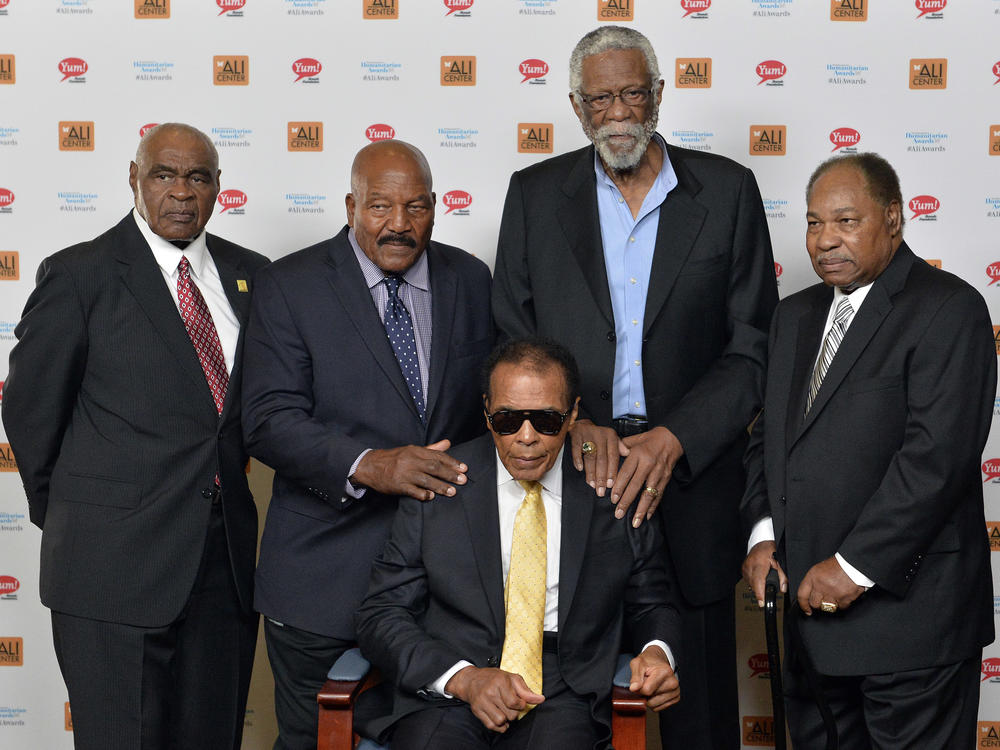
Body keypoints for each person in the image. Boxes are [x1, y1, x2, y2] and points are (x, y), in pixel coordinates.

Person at [491, 25, 777, 748]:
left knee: (699, 710)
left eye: (630, 93)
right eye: (599, 98)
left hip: (691, 483)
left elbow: (753, 349)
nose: (617, 112)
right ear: (576, 106)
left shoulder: (730, 191)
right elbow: (509, 340)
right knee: (564, 704)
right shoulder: (533, 195)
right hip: (569, 472)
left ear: (658, 94)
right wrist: (570, 420)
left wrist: (676, 437)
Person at [1, 123, 269, 749]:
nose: (182, 191)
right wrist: (79, 514)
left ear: (218, 188)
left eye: (198, 177)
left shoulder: (251, 276)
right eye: (164, 174)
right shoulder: (80, 274)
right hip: (109, 570)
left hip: (222, 569)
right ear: (133, 179)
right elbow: (32, 415)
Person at [242, 139, 493, 750]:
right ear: (351, 204)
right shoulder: (289, 284)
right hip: (321, 576)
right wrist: (370, 465)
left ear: (435, 208)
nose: (399, 225)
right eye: (380, 206)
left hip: (445, 588)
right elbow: (269, 419)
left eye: (416, 208)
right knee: (312, 739)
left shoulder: (472, 279)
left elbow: (494, 412)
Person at [741, 152, 995, 748]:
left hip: (911, 629)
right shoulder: (792, 316)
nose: (825, 240)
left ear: (894, 218)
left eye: (846, 221)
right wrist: (762, 533)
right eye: (812, 223)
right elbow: (767, 441)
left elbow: (937, 460)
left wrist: (853, 567)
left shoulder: (948, 308)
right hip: (809, 626)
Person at [354, 338, 681, 750]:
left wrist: (657, 652)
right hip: (449, 687)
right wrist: (462, 678)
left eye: (546, 421)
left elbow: (652, 601)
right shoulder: (439, 483)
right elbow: (380, 614)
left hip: (563, 690)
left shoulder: (611, 488)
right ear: (487, 410)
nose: (526, 438)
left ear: (573, 413)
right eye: (507, 419)